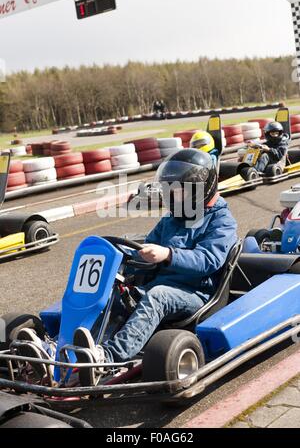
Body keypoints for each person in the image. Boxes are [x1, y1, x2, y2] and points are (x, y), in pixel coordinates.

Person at [17, 149, 238, 386]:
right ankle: (61, 349)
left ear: (201, 187)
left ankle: (107, 357)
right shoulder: (172, 220)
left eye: (178, 189)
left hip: (195, 293)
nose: (172, 195)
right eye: (169, 189)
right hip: (158, 284)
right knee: (113, 290)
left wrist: (168, 255)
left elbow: (208, 260)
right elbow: (147, 247)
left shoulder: (221, 221)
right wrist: (126, 257)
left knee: (157, 297)